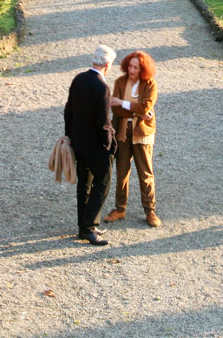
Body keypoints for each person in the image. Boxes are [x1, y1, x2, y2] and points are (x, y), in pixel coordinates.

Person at [64, 45, 118, 245]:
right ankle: (89, 227)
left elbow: (68, 109)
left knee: (84, 184)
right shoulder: (102, 87)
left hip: (79, 142)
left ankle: (84, 226)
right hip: (96, 146)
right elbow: (103, 122)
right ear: (108, 64)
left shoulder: (78, 79)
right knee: (101, 185)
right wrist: (109, 144)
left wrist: (69, 134)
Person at [104, 51, 161, 228]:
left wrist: (122, 103)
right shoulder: (120, 82)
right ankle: (120, 208)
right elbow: (117, 111)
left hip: (142, 133)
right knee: (122, 172)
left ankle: (150, 210)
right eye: (130, 66)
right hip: (122, 131)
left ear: (143, 68)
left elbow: (146, 107)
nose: (132, 70)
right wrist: (137, 110)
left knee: (145, 173)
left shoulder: (150, 84)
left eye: (136, 67)